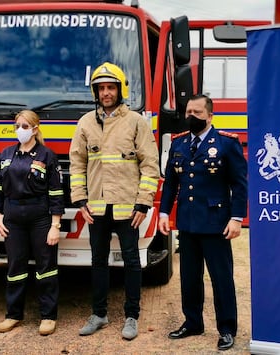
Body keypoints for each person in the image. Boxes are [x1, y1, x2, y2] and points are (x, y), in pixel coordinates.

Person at [69, 62, 160, 340]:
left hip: (128, 208)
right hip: (96, 207)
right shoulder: (85, 122)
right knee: (98, 261)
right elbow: (77, 164)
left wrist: (144, 203)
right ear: (95, 91)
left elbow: (150, 164)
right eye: (101, 88)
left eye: (111, 87)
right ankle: (99, 314)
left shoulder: (135, 122)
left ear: (121, 90)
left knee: (132, 261)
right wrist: (80, 200)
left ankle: (131, 316)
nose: (106, 93)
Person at [158, 94, 248, 351]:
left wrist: (236, 218)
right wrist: (164, 213)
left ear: (210, 116)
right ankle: (193, 322)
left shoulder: (226, 144)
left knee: (221, 278)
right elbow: (171, 183)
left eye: (197, 112)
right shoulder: (179, 144)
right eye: (189, 112)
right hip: (187, 222)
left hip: (216, 223)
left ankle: (227, 329)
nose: (192, 117)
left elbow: (239, 184)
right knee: (189, 277)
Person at [0, 110, 65, 336]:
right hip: (13, 217)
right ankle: (13, 314)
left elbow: (55, 193)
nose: (20, 130)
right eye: (17, 126)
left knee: (45, 268)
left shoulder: (46, 155)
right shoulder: (6, 154)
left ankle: (48, 316)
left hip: (40, 217)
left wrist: (55, 225)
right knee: (15, 268)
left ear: (35, 129)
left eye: (25, 126)